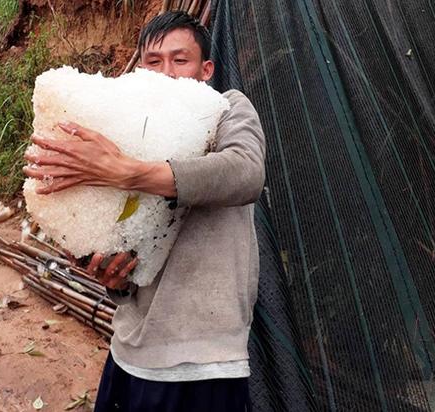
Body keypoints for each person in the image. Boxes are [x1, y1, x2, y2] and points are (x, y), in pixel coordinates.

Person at [23, 11, 266, 412]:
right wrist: (112, 277)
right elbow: (124, 248)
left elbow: (245, 173)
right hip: (131, 351)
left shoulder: (227, 110)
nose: (166, 73)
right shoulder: (125, 128)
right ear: (139, 71)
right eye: (154, 61)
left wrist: (127, 172)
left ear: (206, 70)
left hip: (206, 362)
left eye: (180, 60)